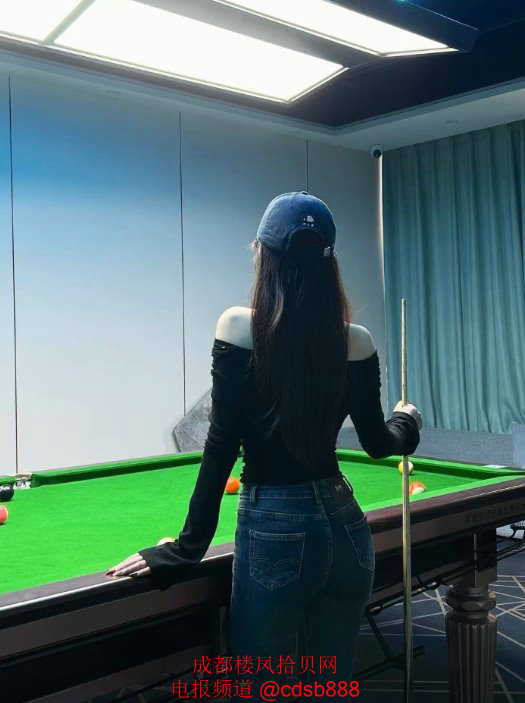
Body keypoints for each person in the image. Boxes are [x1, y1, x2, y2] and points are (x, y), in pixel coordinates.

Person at [107, 191, 422, 700]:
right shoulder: (357, 339)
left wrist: (187, 549)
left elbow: (220, 444)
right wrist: (407, 421)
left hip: (274, 531)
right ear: (330, 262)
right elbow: (379, 444)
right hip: (346, 527)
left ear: (263, 255)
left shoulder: (239, 326)